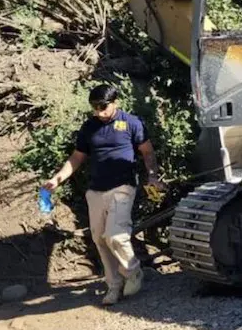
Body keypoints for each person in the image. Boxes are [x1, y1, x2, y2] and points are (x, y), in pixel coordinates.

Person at [42, 84, 165, 305]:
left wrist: (153, 176)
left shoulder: (131, 123)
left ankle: (133, 271)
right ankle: (114, 285)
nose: (98, 112)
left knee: (116, 235)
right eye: (94, 108)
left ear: (114, 102)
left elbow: (148, 152)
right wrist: (57, 178)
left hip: (122, 187)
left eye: (102, 107)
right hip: (96, 190)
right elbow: (77, 157)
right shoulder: (89, 127)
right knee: (99, 239)